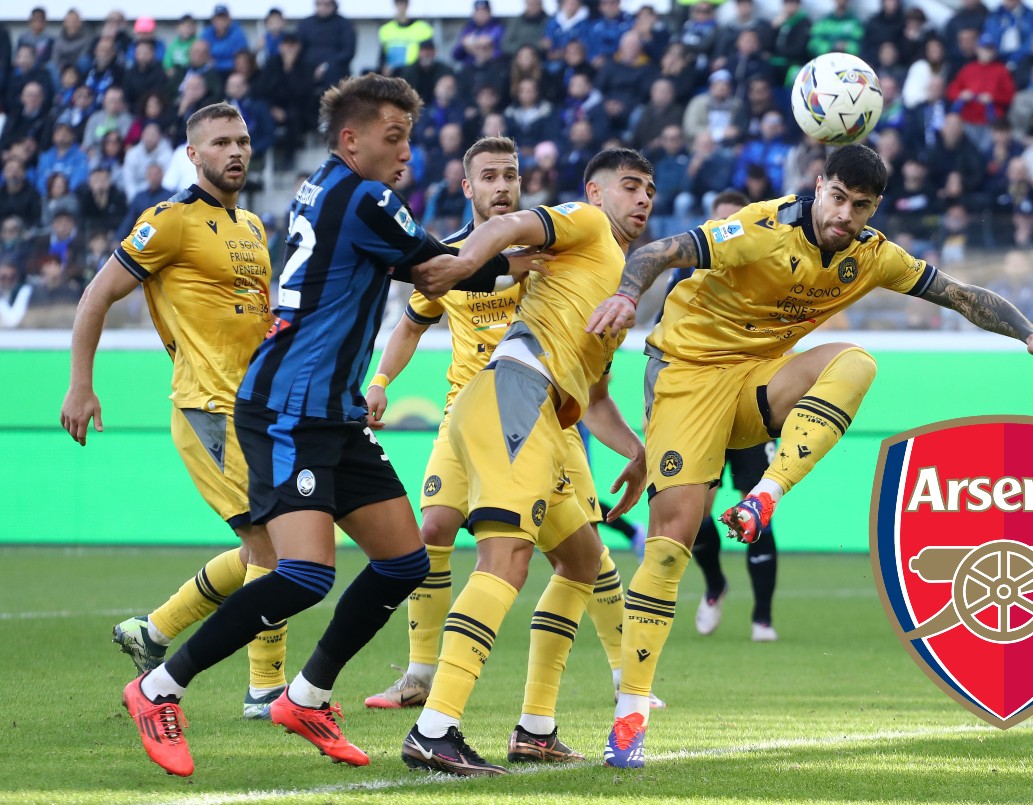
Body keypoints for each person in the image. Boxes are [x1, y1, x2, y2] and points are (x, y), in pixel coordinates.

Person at [587, 142, 1033, 768]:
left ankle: (766, 494)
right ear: (820, 185)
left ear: (873, 209)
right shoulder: (760, 227)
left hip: (757, 384)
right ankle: (630, 720)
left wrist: (1029, 332)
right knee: (673, 540)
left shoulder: (872, 256)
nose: (844, 215)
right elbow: (658, 251)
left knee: (856, 362)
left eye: (859, 207)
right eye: (837, 198)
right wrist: (627, 295)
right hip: (686, 375)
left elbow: (956, 293)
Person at [109, 75, 538, 777]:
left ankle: (305, 694)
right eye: (391, 138)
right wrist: (535, 255)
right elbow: (441, 272)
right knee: (304, 572)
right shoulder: (366, 198)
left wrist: (507, 260)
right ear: (351, 139)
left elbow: (431, 268)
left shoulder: (331, 188)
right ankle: (157, 686)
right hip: (289, 408)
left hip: (333, 411)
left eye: (408, 138)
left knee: (403, 561)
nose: (404, 154)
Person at [363, 136, 663, 721]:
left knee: (584, 557)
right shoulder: (559, 231)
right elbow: (411, 323)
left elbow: (594, 394)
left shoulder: (570, 262)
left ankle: (565, 709)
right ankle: (431, 701)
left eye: (512, 175)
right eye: (490, 176)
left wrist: (636, 449)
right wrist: (380, 380)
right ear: (468, 187)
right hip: (495, 402)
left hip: (546, 416)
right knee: (454, 538)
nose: (503, 186)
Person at [59, 103, 290, 722]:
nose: (235, 152)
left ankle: (153, 631)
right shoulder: (169, 222)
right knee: (275, 545)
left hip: (256, 412)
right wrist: (81, 385)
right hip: (206, 410)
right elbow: (96, 295)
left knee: (261, 550)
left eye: (242, 140)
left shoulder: (253, 228)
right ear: (193, 154)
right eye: (220, 143)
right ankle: (265, 689)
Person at [655, 190, 782, 642]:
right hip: (701, 409)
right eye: (719, 225)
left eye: (735, 223)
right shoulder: (688, 279)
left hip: (748, 411)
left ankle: (762, 617)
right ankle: (715, 585)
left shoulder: (770, 275)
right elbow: (663, 342)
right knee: (696, 514)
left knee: (755, 508)